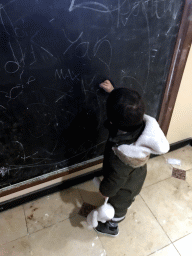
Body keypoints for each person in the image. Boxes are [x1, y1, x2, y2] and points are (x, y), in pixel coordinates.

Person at [95, 80, 170, 237]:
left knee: (118, 207)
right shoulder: (142, 123)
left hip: (123, 189)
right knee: (125, 197)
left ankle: (112, 227)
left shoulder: (122, 156)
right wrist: (113, 92)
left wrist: (104, 190)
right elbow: (128, 110)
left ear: (112, 121)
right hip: (135, 178)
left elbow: (116, 179)